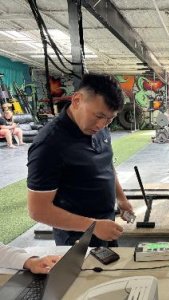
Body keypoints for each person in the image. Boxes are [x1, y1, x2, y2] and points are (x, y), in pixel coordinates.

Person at [27, 74, 134, 247]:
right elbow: (37, 210)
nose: (102, 125)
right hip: (76, 237)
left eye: (110, 119)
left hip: (106, 225)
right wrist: (92, 226)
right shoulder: (49, 144)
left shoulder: (99, 128)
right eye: (98, 116)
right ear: (77, 100)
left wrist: (121, 199)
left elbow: (106, 165)